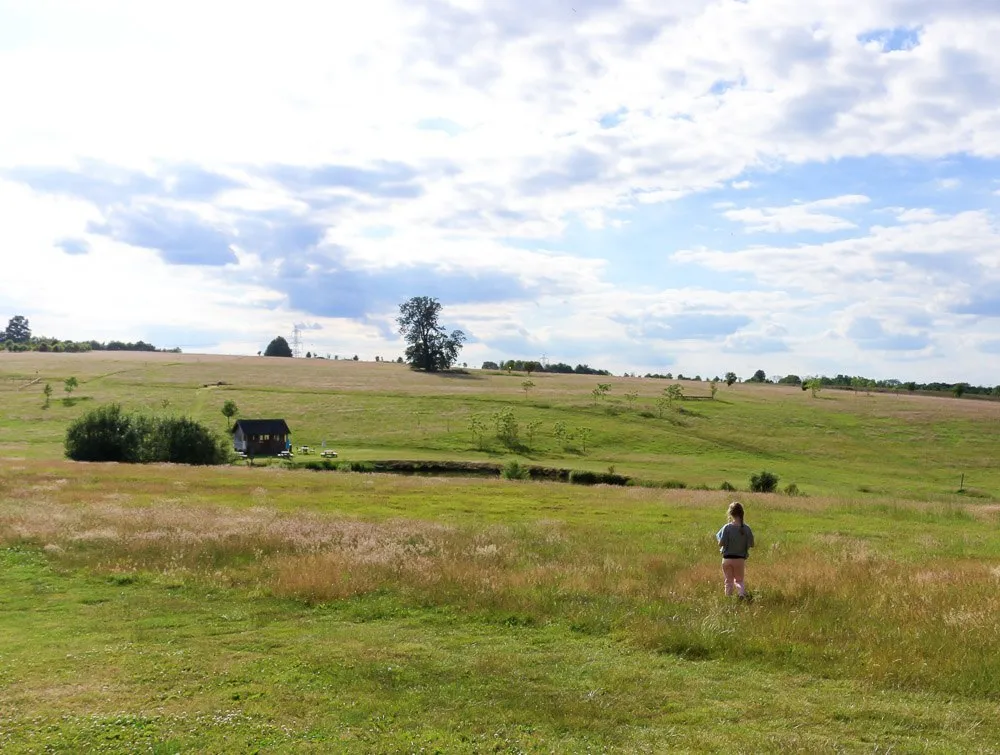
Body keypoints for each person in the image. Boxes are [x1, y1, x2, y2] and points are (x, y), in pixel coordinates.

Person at [716, 501, 754, 599]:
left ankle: (728, 598)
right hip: (740, 559)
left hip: (727, 558)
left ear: (730, 513)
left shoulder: (727, 528)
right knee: (739, 580)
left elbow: (721, 543)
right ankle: (741, 594)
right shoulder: (746, 529)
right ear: (742, 513)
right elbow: (752, 544)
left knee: (728, 581)